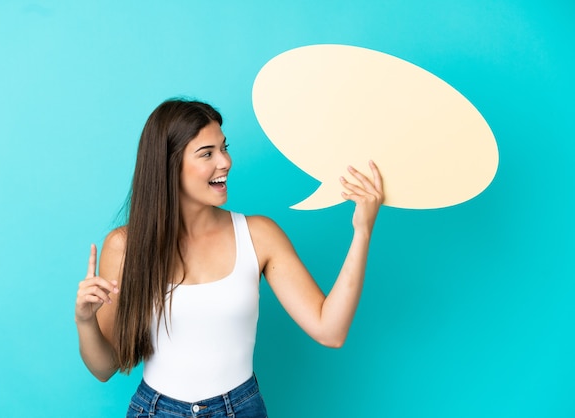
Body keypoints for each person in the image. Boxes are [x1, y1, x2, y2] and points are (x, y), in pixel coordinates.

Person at [75, 98, 384, 418]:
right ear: (169, 164)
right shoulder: (125, 246)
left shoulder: (259, 235)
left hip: (240, 409)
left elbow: (329, 331)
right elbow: (104, 368)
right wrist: (85, 319)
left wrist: (362, 232)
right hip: (154, 410)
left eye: (224, 148)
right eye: (207, 153)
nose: (225, 162)